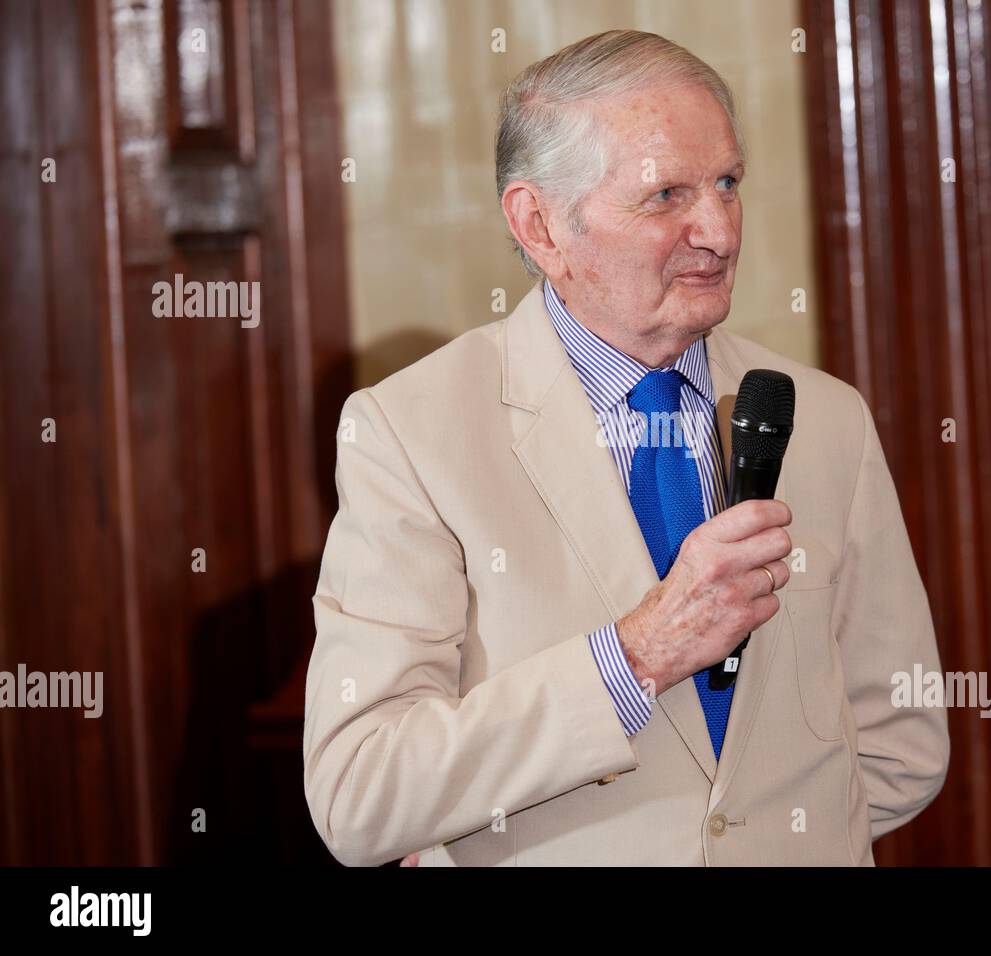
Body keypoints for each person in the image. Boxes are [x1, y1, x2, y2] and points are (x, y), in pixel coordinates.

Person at [303, 29, 948, 866]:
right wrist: (635, 656)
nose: (717, 229)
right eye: (666, 195)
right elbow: (362, 792)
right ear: (540, 226)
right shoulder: (411, 433)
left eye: (726, 183)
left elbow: (900, 744)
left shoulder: (827, 417)